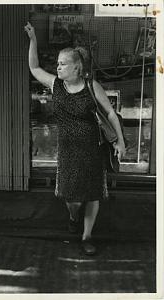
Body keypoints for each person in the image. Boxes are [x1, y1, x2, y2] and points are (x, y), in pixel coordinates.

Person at [25, 22, 126, 255]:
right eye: (58, 64)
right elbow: (34, 68)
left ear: (77, 68)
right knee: (72, 199)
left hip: (92, 150)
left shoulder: (92, 86)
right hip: (68, 152)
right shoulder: (56, 86)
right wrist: (33, 40)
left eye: (62, 64)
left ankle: (87, 236)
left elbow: (110, 113)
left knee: (92, 195)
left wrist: (119, 141)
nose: (58, 68)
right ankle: (73, 216)